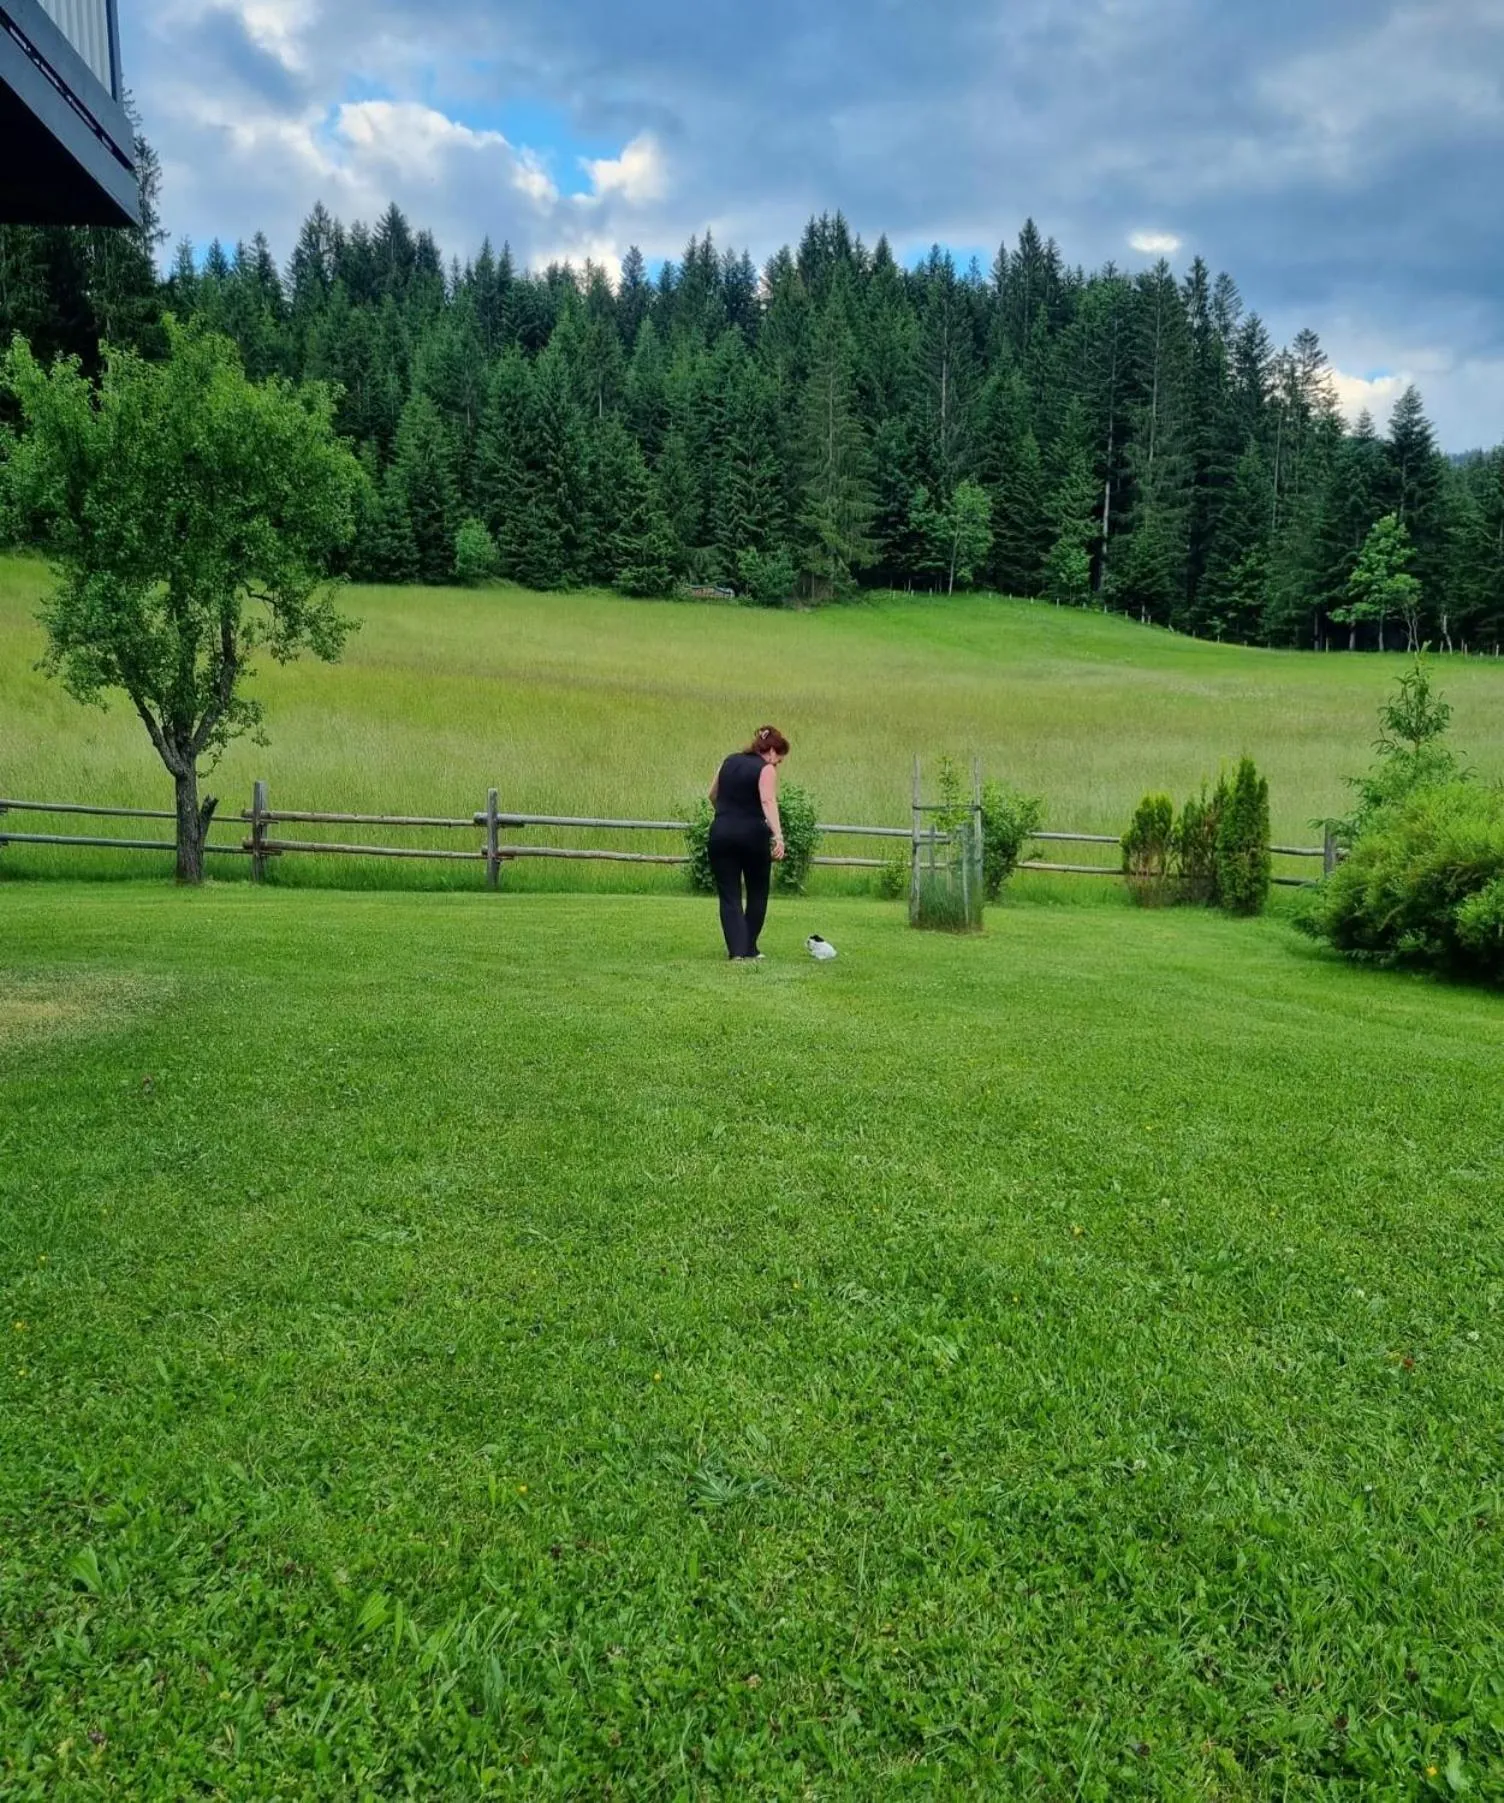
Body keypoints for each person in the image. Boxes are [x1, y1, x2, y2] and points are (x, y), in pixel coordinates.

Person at [707, 725, 789, 960]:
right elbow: (768, 800)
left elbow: (712, 795)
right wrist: (778, 835)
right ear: (772, 751)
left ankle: (737, 952)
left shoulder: (729, 761)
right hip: (752, 835)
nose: (777, 765)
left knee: (729, 894)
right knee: (757, 892)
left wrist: (726, 815)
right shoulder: (766, 769)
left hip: (721, 833)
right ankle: (749, 948)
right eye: (778, 760)